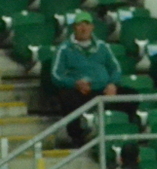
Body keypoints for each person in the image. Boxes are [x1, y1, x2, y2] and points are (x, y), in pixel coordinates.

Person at [51, 11, 126, 147]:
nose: (84, 28)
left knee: (131, 95)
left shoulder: (102, 46)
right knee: (68, 98)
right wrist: (74, 84)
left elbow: (116, 68)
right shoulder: (64, 49)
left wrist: (112, 84)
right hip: (80, 90)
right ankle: (76, 138)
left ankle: (126, 134)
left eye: (87, 24)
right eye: (80, 24)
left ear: (92, 27)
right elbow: (56, 75)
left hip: (103, 89)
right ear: (74, 28)